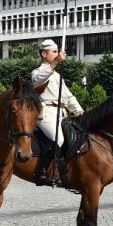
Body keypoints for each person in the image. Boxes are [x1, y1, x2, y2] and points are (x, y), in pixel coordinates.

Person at [31, 39, 84, 186]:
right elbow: (38, 81)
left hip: (62, 114)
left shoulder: (57, 76)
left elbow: (67, 95)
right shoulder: (37, 72)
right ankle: (41, 173)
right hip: (46, 115)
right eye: (54, 52)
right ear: (43, 54)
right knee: (58, 140)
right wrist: (55, 64)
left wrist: (78, 109)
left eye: (57, 52)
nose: (57, 54)